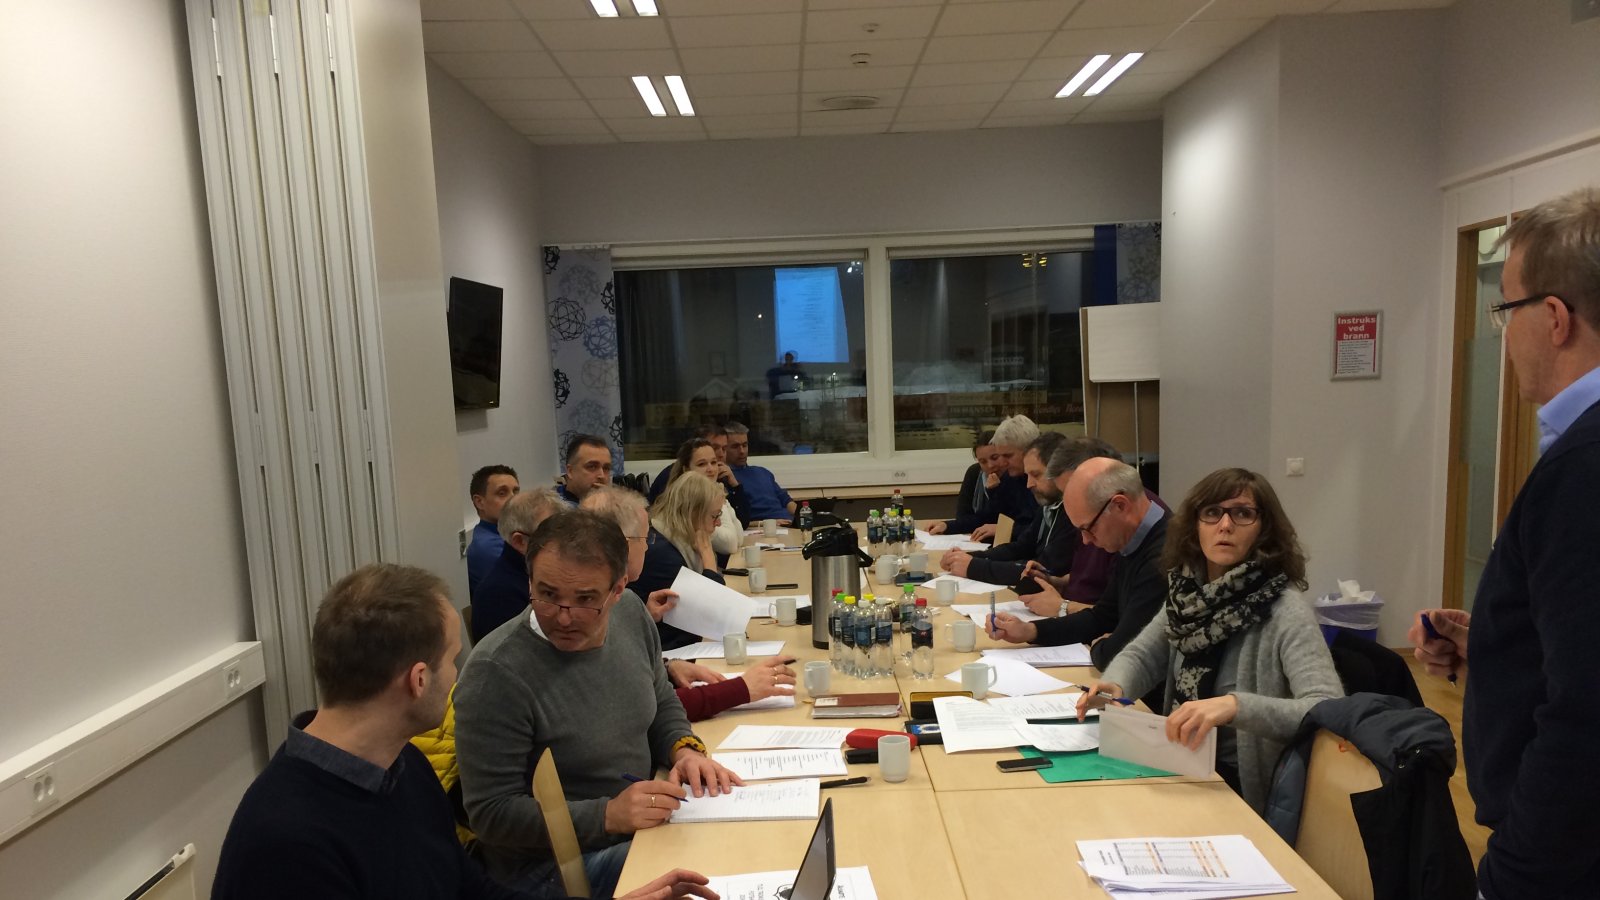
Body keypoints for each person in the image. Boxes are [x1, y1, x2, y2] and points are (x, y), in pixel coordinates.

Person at [212, 563, 715, 900]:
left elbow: (472, 890)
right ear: (418, 680)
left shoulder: (402, 767)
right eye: (453, 659)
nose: (458, 676)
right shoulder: (287, 842)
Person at [1408, 187, 1600, 899]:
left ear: (1553, 318)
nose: (1503, 333)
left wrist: (1518, 875)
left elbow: (1585, 713)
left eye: (1505, 310)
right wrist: (1498, 646)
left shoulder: (1584, 466)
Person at [454, 511, 742, 899]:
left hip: (635, 824)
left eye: (586, 599)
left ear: (618, 588)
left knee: (738, 844)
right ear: (530, 581)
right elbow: (491, 813)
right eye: (547, 594)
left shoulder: (630, 613)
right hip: (552, 866)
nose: (564, 617)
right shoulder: (496, 672)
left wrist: (683, 750)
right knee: (712, 868)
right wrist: (608, 815)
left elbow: (658, 696)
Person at [1076, 468, 1342, 814]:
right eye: (1212, 513)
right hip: (1179, 760)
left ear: (1264, 529)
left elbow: (1328, 707)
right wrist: (1115, 685)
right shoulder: (1188, 595)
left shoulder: (1284, 610)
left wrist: (1235, 706)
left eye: (1242, 514)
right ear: (1194, 525)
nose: (1225, 525)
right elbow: (1143, 655)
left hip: (1237, 787)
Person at [581, 484, 796, 720]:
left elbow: (633, 673)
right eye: (645, 537)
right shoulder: (589, 614)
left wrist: (668, 666)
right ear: (621, 544)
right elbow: (645, 705)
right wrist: (742, 689)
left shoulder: (625, 600)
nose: (648, 545)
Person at [987, 457, 1168, 677]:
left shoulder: (1164, 557)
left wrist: (1099, 646)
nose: (1085, 540)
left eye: (1088, 528)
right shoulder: (1132, 539)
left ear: (1120, 505)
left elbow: (1120, 652)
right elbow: (1103, 617)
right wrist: (1030, 631)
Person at [939, 433, 1071, 597]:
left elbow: (1044, 570)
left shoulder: (1072, 514)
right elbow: (1021, 547)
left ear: (1061, 472)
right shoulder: (1049, 504)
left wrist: (973, 566)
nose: (1029, 484)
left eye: (1036, 475)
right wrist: (967, 557)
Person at [630, 474, 730, 650]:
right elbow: (711, 610)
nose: (718, 523)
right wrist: (707, 556)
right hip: (669, 649)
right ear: (693, 514)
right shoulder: (663, 555)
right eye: (714, 516)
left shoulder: (671, 538)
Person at [470, 488, 565, 643]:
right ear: (520, 541)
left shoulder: (531, 572)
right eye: (551, 535)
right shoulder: (499, 595)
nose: (563, 543)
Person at [663, 438, 744, 558]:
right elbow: (730, 545)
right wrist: (719, 500)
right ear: (686, 470)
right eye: (702, 464)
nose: (711, 469)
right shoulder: (687, 501)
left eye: (714, 462)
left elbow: (739, 538)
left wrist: (720, 498)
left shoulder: (715, 490)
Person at [971, 415, 1040, 542]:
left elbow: (1042, 532)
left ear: (1029, 450)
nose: (1002, 463)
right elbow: (988, 518)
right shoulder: (1011, 477)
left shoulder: (1049, 482)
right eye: (1000, 456)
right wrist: (947, 526)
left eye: (1008, 456)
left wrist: (1005, 529)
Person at [926, 431, 1003, 536]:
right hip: (977, 538)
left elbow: (1002, 520)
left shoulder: (1015, 476)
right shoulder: (974, 473)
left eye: (995, 458)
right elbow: (965, 517)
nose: (990, 465)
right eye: (983, 461)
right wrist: (946, 526)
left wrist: (995, 491)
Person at [723, 421, 795, 524]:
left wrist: (803, 515)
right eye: (735, 446)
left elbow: (786, 501)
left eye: (745, 445)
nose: (742, 451)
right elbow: (738, 521)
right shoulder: (728, 479)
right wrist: (768, 524)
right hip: (763, 527)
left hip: (789, 523)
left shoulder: (763, 472)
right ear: (724, 449)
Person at [467, 465, 520, 592]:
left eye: (516, 492)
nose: (513, 499)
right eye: (502, 493)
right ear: (480, 502)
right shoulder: (488, 546)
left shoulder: (504, 533)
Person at [556, 435, 613, 504]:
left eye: (606, 468)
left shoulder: (613, 505)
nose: (602, 476)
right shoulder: (551, 507)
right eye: (592, 467)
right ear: (570, 471)